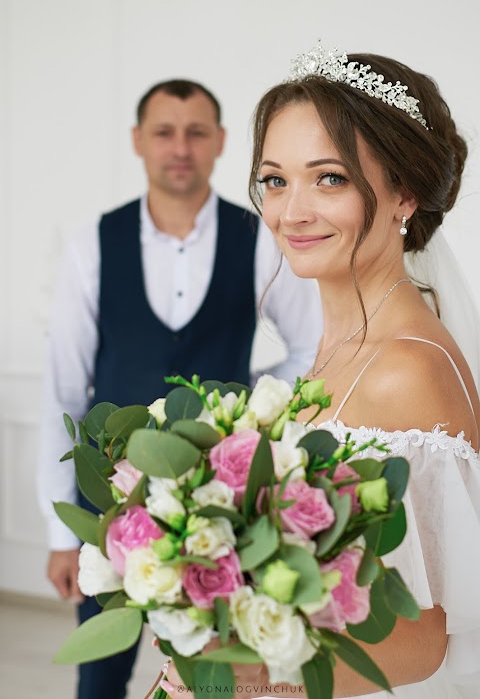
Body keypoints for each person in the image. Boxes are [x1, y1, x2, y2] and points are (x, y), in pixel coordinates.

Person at [162, 46, 480, 698]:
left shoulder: (405, 369)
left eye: (329, 178)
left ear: (406, 192)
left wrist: (251, 675)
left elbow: (422, 643)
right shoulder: (339, 347)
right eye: (276, 179)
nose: (291, 212)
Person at [37, 78, 323, 699]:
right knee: (101, 674)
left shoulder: (258, 238)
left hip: (220, 501)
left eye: (196, 132)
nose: (180, 147)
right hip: (111, 503)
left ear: (219, 142)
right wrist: (64, 535)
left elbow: (310, 346)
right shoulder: (94, 244)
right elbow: (62, 388)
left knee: (216, 669)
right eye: (164, 131)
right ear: (139, 141)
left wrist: (250, 405)